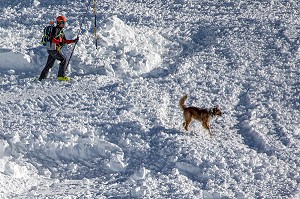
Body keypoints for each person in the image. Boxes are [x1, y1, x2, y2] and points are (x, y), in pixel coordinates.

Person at [39, 15, 79, 81]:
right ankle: (61, 76)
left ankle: (41, 78)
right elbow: (52, 39)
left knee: (49, 64)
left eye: (64, 23)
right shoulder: (56, 29)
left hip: (51, 49)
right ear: (59, 23)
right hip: (54, 49)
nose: (64, 24)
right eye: (63, 23)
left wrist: (73, 41)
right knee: (64, 60)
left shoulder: (61, 31)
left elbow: (65, 41)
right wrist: (59, 42)